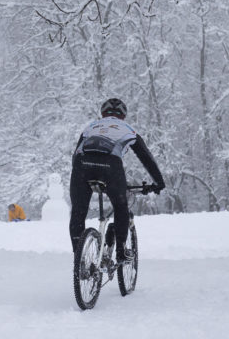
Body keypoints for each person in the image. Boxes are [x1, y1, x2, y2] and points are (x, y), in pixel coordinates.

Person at [69, 98, 165, 262]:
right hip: (110, 166)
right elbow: (145, 157)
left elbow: (76, 153)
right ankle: (121, 250)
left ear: (103, 113)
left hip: (82, 165)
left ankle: (80, 257)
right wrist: (159, 182)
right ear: (123, 115)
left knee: (78, 210)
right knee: (121, 206)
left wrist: (84, 177)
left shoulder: (91, 127)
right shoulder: (128, 129)